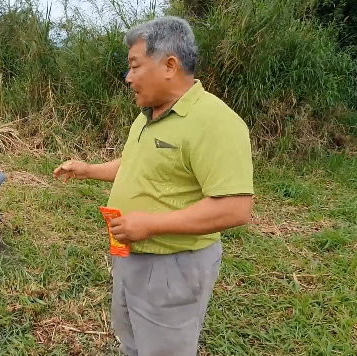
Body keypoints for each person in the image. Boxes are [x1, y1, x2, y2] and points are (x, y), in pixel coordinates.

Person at [53, 16, 254, 356]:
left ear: (169, 65)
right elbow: (136, 166)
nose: (127, 77)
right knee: (132, 339)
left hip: (173, 265)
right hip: (131, 254)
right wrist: (89, 170)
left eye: (135, 66)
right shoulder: (151, 114)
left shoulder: (215, 122)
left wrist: (149, 224)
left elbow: (235, 207)